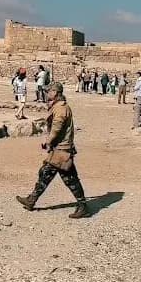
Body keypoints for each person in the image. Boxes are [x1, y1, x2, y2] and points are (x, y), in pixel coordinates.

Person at [16, 82, 89, 219]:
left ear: (55, 92)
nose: (47, 93)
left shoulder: (61, 108)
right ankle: (32, 199)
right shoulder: (58, 106)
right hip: (59, 149)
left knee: (66, 178)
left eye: (49, 91)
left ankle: (83, 206)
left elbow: (57, 127)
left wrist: (47, 141)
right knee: (49, 174)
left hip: (62, 150)